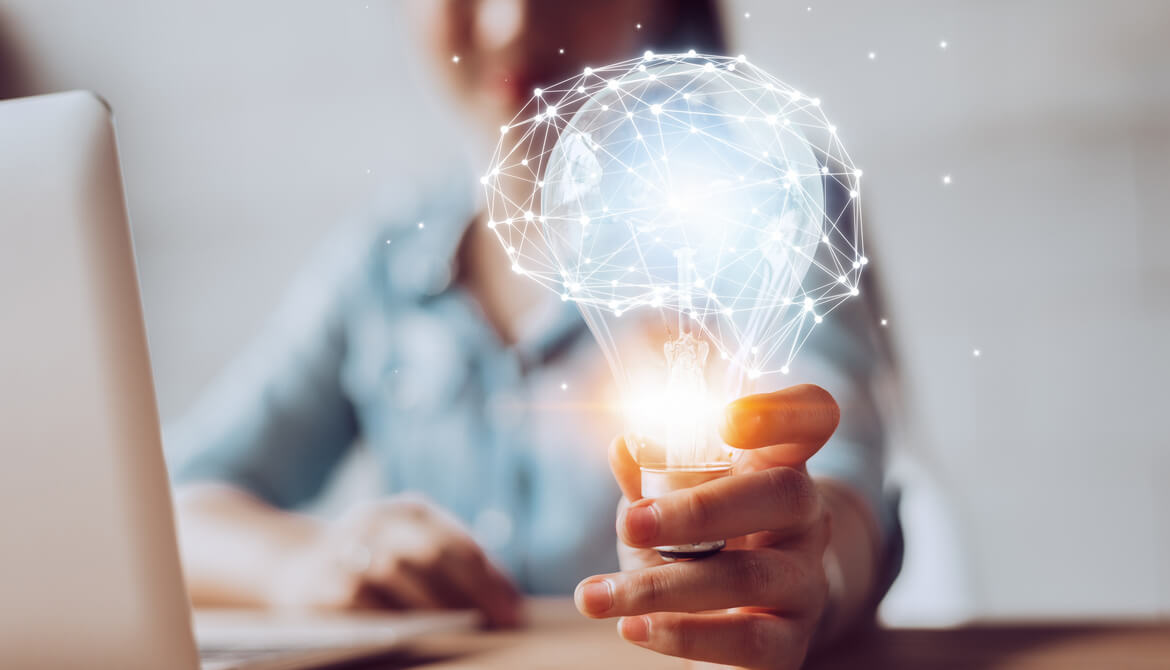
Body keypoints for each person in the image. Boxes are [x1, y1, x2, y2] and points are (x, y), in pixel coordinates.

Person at [168, 1, 901, 667]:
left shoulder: (756, 205)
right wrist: (303, 564)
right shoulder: (384, 261)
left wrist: (802, 558)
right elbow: (175, 502)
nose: (509, 25)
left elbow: (838, 479)